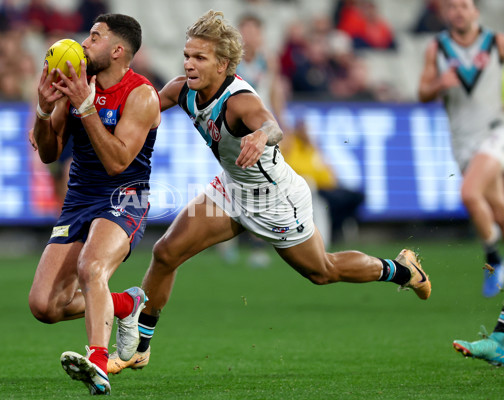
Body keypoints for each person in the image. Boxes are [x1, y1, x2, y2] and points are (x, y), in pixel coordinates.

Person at [107, 10, 431, 374]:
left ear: (223, 65)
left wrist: (261, 136)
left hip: (275, 201)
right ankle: (141, 348)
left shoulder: (239, 100)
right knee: (166, 253)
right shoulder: (181, 90)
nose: (189, 64)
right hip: (231, 190)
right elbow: (139, 107)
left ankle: (400, 270)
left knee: (321, 271)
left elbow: (270, 124)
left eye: (199, 58)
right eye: (186, 55)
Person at [27, 13, 161, 395]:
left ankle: (98, 363)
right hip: (79, 199)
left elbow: (118, 162)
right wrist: (42, 109)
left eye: (95, 37)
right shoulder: (76, 85)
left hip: (124, 198)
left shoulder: (141, 95)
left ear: (118, 51)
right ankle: (125, 303)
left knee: (93, 266)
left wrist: (85, 108)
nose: (84, 43)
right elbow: (49, 153)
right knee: (44, 306)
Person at [418, 0, 504, 297]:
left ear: (475, 12)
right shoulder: (438, 48)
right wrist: (440, 83)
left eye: (464, 6)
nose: (458, 11)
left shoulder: (494, 42)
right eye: (452, 6)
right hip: (462, 140)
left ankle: (494, 260)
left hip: (495, 131)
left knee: (469, 193)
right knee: (498, 209)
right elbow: (422, 93)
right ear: (446, 13)